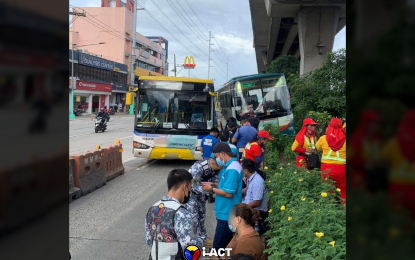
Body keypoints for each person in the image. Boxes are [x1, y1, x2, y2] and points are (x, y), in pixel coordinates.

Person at [145, 169, 203, 260]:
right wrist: (200, 242)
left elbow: (149, 241)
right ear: (184, 187)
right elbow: (188, 249)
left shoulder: (152, 209)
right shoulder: (181, 212)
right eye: (189, 190)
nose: (189, 194)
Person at [201, 143, 243, 252]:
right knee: (226, 246)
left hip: (226, 214)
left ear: (223, 153)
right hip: (225, 211)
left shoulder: (232, 169)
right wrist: (213, 185)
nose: (216, 159)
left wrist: (211, 189)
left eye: (216, 156)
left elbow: (229, 193)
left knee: (218, 248)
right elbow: (226, 187)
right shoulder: (229, 166)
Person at [187, 157, 223, 247]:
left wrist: (214, 187)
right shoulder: (198, 167)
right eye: (219, 168)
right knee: (195, 218)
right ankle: (198, 240)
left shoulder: (214, 169)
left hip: (201, 194)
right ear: (212, 163)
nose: (219, 170)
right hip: (191, 194)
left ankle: (203, 237)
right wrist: (208, 189)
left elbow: (215, 181)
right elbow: (192, 185)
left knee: (202, 215)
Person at [316, 118, 346, 204]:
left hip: (326, 169)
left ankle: (330, 211)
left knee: (329, 192)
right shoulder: (345, 140)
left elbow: (318, 147)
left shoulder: (323, 138)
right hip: (341, 170)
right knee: (343, 192)